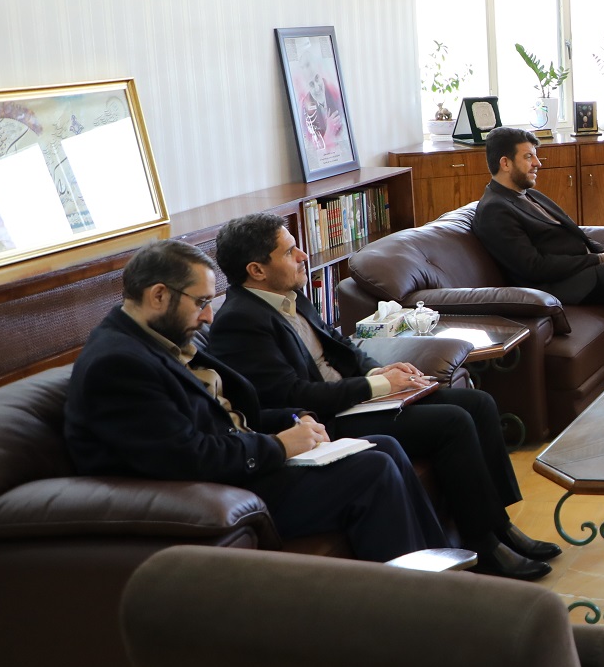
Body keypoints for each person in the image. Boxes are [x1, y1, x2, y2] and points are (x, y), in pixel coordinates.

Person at [205, 213, 557, 580]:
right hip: (326, 419)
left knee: (478, 404)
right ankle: (483, 544)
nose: (303, 256)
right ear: (257, 270)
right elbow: (292, 394)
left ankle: (499, 526)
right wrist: (380, 387)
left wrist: (380, 372)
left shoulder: (289, 293)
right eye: (290, 251)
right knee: (452, 422)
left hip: (353, 398)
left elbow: (342, 345)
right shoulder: (240, 321)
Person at [63, 239, 444, 563]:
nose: (209, 316)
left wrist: (296, 419)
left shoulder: (161, 337)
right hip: (219, 491)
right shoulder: (118, 364)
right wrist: (279, 446)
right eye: (201, 302)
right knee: (372, 471)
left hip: (244, 461)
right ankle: (410, 603)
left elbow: (228, 415)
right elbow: (185, 457)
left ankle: (442, 571)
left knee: (384, 446)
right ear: (159, 295)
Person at [469, 127, 604, 373]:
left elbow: (574, 233)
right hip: (563, 283)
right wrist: (599, 260)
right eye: (528, 157)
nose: (537, 163)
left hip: (582, 264)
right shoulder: (495, 209)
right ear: (505, 163)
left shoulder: (528, 194)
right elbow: (533, 267)